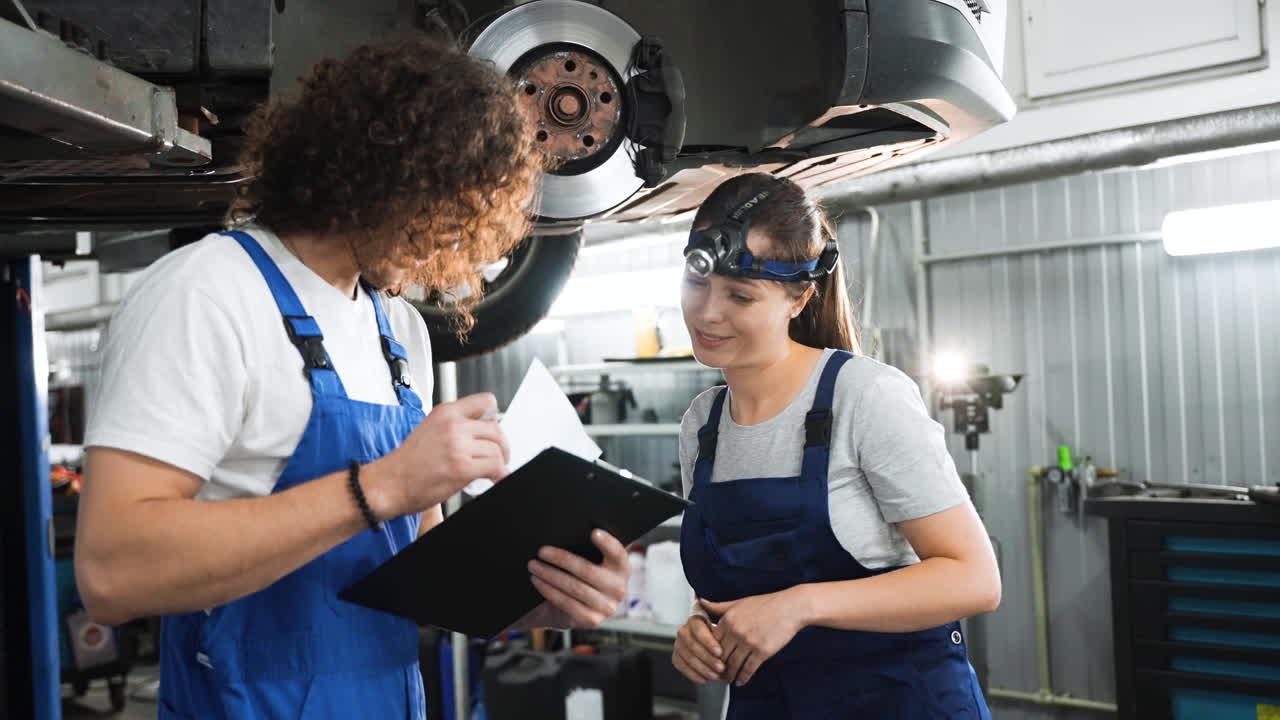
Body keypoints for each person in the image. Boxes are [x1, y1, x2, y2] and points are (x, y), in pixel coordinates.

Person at [74, 34, 630, 719]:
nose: (453, 249)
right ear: (387, 177)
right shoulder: (207, 293)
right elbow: (112, 571)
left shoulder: (399, 333)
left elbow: (422, 571)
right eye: (449, 213)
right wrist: (382, 486)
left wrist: (543, 594)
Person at [670, 173, 1000, 718]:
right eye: (696, 283)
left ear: (799, 297)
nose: (708, 312)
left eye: (741, 295)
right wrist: (701, 631)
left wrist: (801, 606)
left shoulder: (864, 396)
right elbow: (730, 586)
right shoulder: (703, 425)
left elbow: (974, 578)